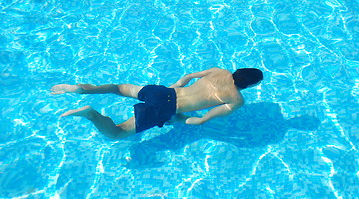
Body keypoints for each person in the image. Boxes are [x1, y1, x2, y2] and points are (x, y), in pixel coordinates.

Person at [51, 67, 263, 139]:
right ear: (250, 85)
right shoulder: (236, 99)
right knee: (116, 133)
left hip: (163, 92)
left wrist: (174, 86)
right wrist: (177, 119)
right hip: (167, 108)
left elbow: (188, 76)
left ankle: (81, 89)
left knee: (117, 88)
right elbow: (200, 121)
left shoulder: (220, 71)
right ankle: (90, 113)